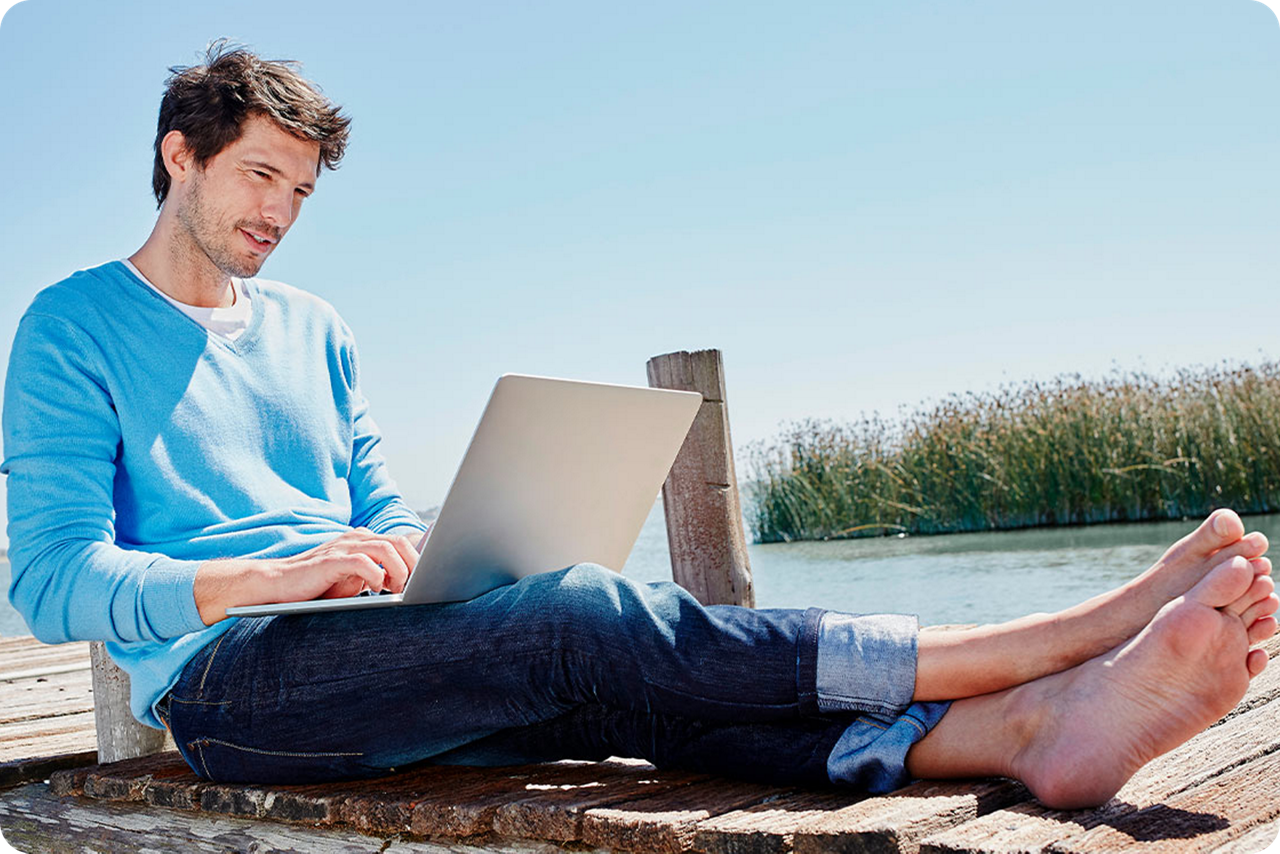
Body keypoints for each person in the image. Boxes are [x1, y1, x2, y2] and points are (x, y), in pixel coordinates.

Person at [3, 42, 1276, 812]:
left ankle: (1027, 734)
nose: (280, 211)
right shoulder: (72, 326)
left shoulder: (313, 326)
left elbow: (378, 501)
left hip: (363, 645)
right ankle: (1039, 645)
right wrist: (259, 579)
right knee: (581, 615)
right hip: (235, 689)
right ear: (180, 155)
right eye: (257, 176)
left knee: (618, 679)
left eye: (301, 187)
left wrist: (405, 551)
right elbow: (51, 580)